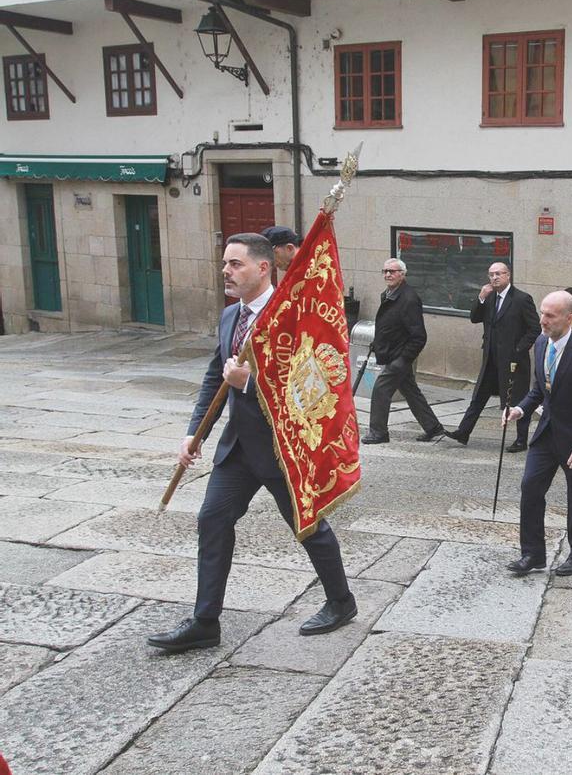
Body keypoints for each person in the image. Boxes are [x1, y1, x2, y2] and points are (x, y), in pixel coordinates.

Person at [148, 233, 356, 652]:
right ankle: (206, 621)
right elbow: (215, 376)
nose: (226, 271)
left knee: (309, 527)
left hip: (283, 450)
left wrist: (251, 383)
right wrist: (195, 433)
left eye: (235, 264)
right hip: (238, 448)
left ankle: (341, 601)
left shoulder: (292, 316)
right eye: (225, 263)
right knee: (212, 520)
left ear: (263, 268)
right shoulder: (230, 317)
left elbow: (313, 387)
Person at [504, 292, 572, 576]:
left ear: (569, 318)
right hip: (546, 433)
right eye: (542, 313)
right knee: (531, 488)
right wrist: (520, 410)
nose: (543, 320)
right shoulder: (540, 343)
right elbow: (540, 390)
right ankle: (533, 553)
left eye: (550, 315)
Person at [445, 262, 540, 452]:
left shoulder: (522, 299)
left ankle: (521, 440)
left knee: (517, 400)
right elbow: (474, 318)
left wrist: (519, 349)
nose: (494, 278)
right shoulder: (489, 298)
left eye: (498, 274)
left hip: (513, 360)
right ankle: (463, 432)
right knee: (478, 397)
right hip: (490, 358)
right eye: (491, 274)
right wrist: (480, 298)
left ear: (508, 275)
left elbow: (535, 328)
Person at [362, 258, 444, 444]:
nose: (388, 274)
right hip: (392, 352)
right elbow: (390, 325)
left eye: (392, 271)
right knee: (411, 391)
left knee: (380, 390)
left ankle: (379, 432)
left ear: (402, 274)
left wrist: (403, 359)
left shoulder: (408, 298)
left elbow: (419, 336)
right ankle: (433, 427)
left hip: (399, 357)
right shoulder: (390, 294)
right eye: (385, 271)